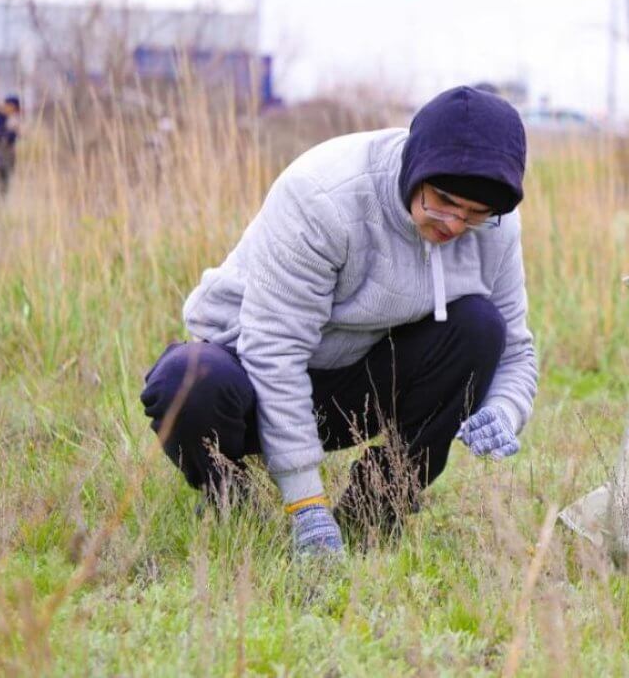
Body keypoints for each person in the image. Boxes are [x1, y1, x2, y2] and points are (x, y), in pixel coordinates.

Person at [140, 86, 538, 556]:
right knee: (186, 381)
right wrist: (307, 504)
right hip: (250, 376)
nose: (453, 224)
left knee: (479, 327)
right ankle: (232, 501)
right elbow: (275, 351)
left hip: (353, 383)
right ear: (415, 167)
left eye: (474, 214)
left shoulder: (493, 227)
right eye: (443, 201)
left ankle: (373, 510)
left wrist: (503, 409)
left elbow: (514, 348)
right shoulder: (324, 196)